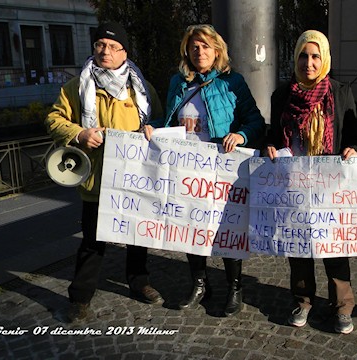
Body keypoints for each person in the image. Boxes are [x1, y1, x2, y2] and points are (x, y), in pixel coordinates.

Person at [45, 22, 164, 323]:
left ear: (125, 52)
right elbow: (53, 120)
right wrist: (79, 134)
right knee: (92, 242)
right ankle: (80, 298)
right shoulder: (77, 86)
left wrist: (154, 129)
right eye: (100, 45)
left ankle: (139, 282)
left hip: (135, 178)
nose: (105, 51)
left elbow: (161, 121)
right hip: (97, 180)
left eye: (113, 46)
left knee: (138, 236)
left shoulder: (141, 88)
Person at [144, 24, 265, 317]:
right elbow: (171, 120)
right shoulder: (178, 82)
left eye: (206, 46)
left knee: (227, 227)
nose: (200, 52)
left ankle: (234, 287)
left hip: (221, 170)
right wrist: (154, 127)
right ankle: (200, 285)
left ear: (217, 51)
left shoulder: (232, 82)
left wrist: (242, 135)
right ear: (188, 50)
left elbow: (255, 121)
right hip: (186, 168)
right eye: (195, 46)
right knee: (190, 226)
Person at [265, 30, 357, 334]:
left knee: (334, 247)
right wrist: (268, 146)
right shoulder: (282, 94)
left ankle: (342, 306)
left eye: (315, 56)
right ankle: (303, 300)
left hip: (329, 185)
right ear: (296, 58)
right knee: (298, 246)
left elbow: (353, 134)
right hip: (292, 184)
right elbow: (273, 135)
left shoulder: (339, 91)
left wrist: (354, 149)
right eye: (303, 56)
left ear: (324, 59)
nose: (309, 62)